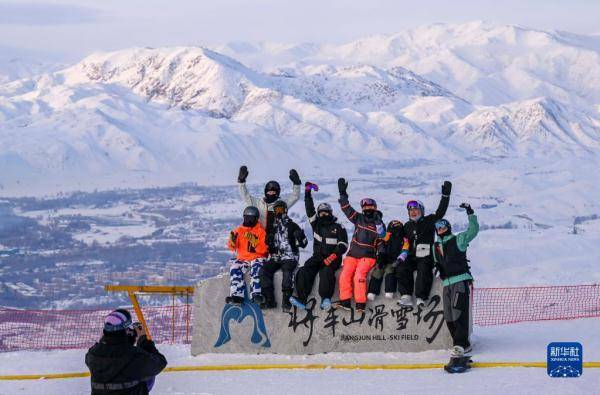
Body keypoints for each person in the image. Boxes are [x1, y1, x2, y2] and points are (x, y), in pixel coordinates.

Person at [290, 181, 349, 311]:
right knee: (304, 270)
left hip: (332, 258)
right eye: (321, 213)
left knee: (326, 272)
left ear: (331, 213)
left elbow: (343, 245)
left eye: (326, 212)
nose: (323, 215)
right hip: (317, 257)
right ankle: (302, 298)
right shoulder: (316, 224)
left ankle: (325, 299)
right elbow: (309, 209)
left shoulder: (339, 227)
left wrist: (333, 256)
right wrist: (307, 192)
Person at [432, 203, 479, 357]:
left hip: (460, 280)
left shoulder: (459, 239)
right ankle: (457, 343)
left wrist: (470, 213)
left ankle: (462, 344)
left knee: (459, 312)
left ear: (448, 227)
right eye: (438, 227)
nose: (440, 229)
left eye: (443, 226)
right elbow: (436, 262)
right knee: (449, 314)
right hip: (447, 283)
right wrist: (437, 268)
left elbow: (473, 231)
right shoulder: (436, 246)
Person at [85, 309, 167, 395]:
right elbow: (160, 362)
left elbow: (112, 353)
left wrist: (106, 340)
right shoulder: (134, 356)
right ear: (127, 331)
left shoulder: (92, 354)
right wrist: (142, 339)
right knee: (148, 375)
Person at [335, 178, 386, 313]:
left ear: (375, 208)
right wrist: (342, 194)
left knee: (359, 277)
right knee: (345, 275)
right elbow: (346, 209)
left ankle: (360, 303)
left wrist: (381, 254)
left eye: (370, 207)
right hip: (352, 254)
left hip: (367, 257)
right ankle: (345, 300)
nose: (368, 209)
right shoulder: (358, 218)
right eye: (365, 207)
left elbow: (381, 238)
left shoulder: (379, 223)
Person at [398, 181, 452, 307]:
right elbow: (401, 240)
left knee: (424, 269)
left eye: (416, 209)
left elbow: (440, 213)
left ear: (421, 210)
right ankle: (406, 296)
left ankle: (421, 296)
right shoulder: (407, 226)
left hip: (425, 255)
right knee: (402, 267)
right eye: (410, 210)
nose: (413, 212)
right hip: (411, 255)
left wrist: (445, 196)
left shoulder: (429, 220)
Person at [259, 200, 308, 311]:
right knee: (263, 270)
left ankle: (286, 299)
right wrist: (269, 242)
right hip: (276, 257)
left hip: (290, 256)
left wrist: (300, 237)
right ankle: (269, 299)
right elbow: (269, 247)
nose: (279, 212)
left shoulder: (292, 225)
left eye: (281, 209)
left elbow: (304, 244)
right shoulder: (272, 227)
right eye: (276, 210)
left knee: (287, 271)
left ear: (285, 210)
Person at [237, 165, 302, 236]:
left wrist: (297, 184)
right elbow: (245, 195)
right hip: (260, 238)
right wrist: (241, 182)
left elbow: (295, 197)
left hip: (276, 239)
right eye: (269, 192)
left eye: (273, 192)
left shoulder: (281, 205)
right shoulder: (258, 203)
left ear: (277, 193)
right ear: (265, 192)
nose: (271, 194)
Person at [226, 206, 269, 305]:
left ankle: (256, 294)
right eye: (247, 218)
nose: (249, 220)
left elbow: (264, 250)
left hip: (257, 257)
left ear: (256, 219)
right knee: (234, 267)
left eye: (252, 218)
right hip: (243, 258)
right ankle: (237, 296)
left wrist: (255, 242)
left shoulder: (260, 232)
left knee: (256, 268)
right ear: (244, 217)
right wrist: (232, 242)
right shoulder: (239, 230)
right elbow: (232, 248)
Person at [367, 220, 410, 301]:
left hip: (394, 261)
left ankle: (389, 291)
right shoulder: (389, 236)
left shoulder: (404, 239)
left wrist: (399, 259)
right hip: (385, 258)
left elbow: (405, 250)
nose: (397, 229)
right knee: (377, 271)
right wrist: (378, 223)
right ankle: (372, 291)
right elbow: (381, 233)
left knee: (390, 271)